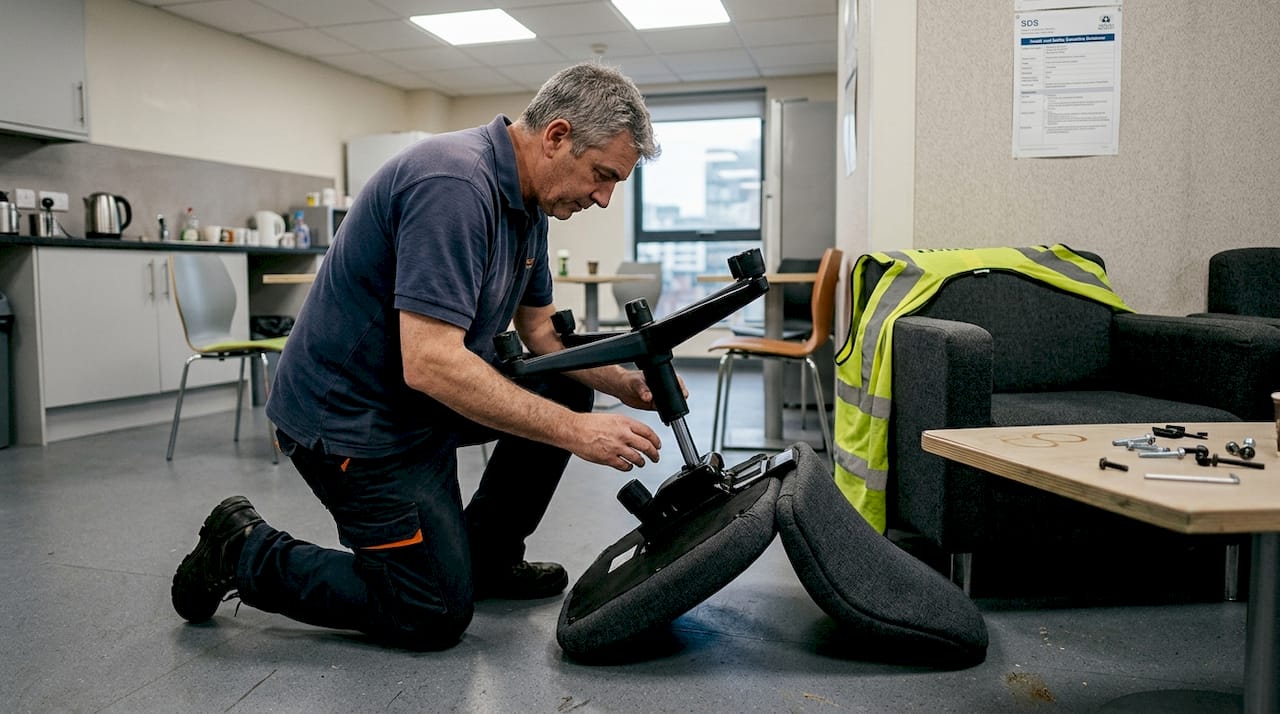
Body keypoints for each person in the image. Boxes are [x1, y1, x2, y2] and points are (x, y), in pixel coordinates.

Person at [171, 62, 668, 651]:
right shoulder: (454, 186)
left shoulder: (530, 203)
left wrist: (624, 384)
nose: (606, 199)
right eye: (603, 176)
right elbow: (430, 362)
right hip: (353, 422)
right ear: (557, 137)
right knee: (429, 609)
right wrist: (575, 433)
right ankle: (241, 547)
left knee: (563, 386)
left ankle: (488, 559)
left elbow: (539, 331)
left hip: (415, 401)